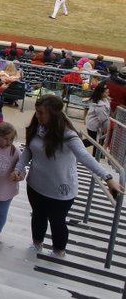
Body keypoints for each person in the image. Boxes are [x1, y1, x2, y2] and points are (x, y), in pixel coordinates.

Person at [13, 95, 123, 257]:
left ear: (54, 114)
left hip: (60, 190)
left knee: (57, 221)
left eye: (41, 113)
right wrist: (19, 167)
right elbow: (29, 149)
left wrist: (108, 178)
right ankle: (37, 243)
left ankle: (59, 251)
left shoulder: (68, 135)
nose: (37, 116)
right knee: (38, 215)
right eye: (37, 112)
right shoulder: (37, 126)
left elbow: (85, 157)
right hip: (36, 185)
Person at [85, 82, 111, 150]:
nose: (108, 94)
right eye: (106, 92)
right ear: (101, 93)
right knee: (93, 141)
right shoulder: (100, 106)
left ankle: (97, 156)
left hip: (95, 124)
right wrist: (108, 129)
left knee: (97, 142)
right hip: (93, 126)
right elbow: (103, 119)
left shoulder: (105, 100)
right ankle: (77, 146)